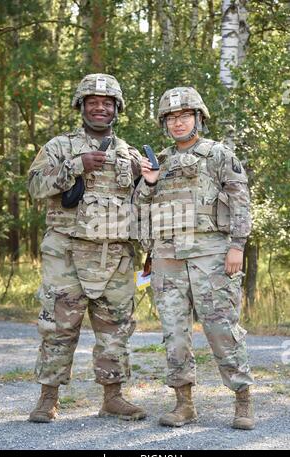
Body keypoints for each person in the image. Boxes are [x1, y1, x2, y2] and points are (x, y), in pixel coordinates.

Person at [133, 86, 254, 430]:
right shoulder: (160, 161)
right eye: (171, 118)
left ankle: (242, 399)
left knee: (222, 329)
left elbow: (240, 200)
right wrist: (150, 182)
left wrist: (237, 245)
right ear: (164, 124)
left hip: (212, 255)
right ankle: (184, 403)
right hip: (168, 259)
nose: (178, 122)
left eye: (185, 115)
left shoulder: (218, 154)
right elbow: (141, 209)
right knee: (174, 333)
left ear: (198, 118)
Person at [28, 73, 146, 423]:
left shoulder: (130, 155)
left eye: (106, 103)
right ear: (81, 106)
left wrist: (147, 178)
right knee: (58, 326)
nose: (99, 107)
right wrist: (75, 167)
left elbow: (147, 203)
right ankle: (48, 398)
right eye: (92, 101)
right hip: (66, 251)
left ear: (116, 109)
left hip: (115, 255)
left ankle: (113, 397)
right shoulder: (58, 147)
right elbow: (35, 186)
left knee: (116, 328)